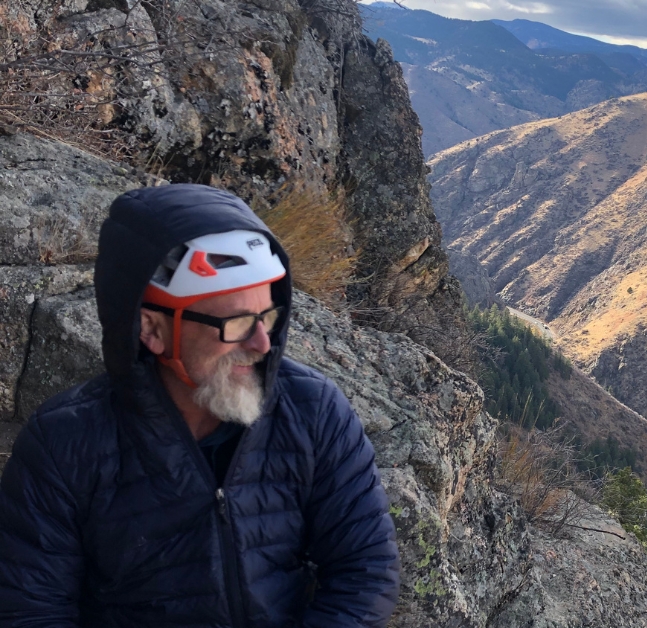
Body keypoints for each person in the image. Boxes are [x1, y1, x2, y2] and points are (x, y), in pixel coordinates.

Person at [0, 184, 401, 626]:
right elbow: (30, 610)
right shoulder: (65, 444)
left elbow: (365, 569)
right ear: (151, 329)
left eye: (267, 316)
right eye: (236, 323)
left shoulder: (313, 410)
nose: (262, 343)